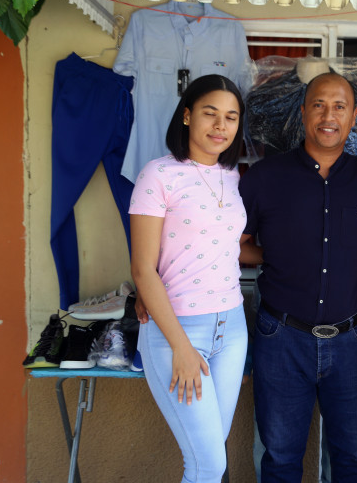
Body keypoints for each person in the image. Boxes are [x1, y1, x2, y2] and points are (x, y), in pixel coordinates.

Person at [238, 71, 357, 482]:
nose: (328, 116)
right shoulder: (265, 177)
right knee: (280, 457)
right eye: (319, 105)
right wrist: (274, 257)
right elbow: (232, 244)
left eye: (339, 106)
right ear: (303, 111)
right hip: (281, 337)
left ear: (354, 117)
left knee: (354, 457)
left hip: (352, 341)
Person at [129, 74, 248, 483]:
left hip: (231, 328)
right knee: (207, 465)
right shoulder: (158, 174)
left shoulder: (232, 176)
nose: (220, 126)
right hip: (177, 330)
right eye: (210, 113)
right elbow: (143, 268)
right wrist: (180, 345)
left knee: (212, 456)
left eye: (231, 117)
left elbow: (224, 246)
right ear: (186, 116)